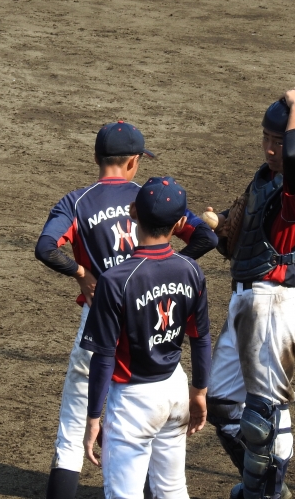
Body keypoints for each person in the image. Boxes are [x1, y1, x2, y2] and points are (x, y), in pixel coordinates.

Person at [35, 122, 217, 499]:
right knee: (163, 447)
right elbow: (207, 235)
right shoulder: (152, 197)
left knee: (75, 429)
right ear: (134, 161)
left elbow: (46, 247)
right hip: (152, 320)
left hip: (99, 323)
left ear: (96, 157)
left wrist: (82, 273)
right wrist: (169, 266)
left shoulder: (77, 202)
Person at [204, 88, 295, 499]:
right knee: (223, 405)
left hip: (274, 300)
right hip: (245, 300)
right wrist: (208, 225)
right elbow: (240, 235)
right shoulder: (263, 181)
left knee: (262, 415)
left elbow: (293, 159)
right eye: (266, 139)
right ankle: (267, 487)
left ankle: (265, 492)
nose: (271, 149)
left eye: (279, 140)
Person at [81, 176, 211, 499]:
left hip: (133, 400)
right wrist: (199, 392)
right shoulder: (191, 270)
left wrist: (93, 417)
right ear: (179, 223)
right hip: (175, 389)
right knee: (172, 489)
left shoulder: (115, 280)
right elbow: (200, 338)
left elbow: (104, 356)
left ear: (133, 212)